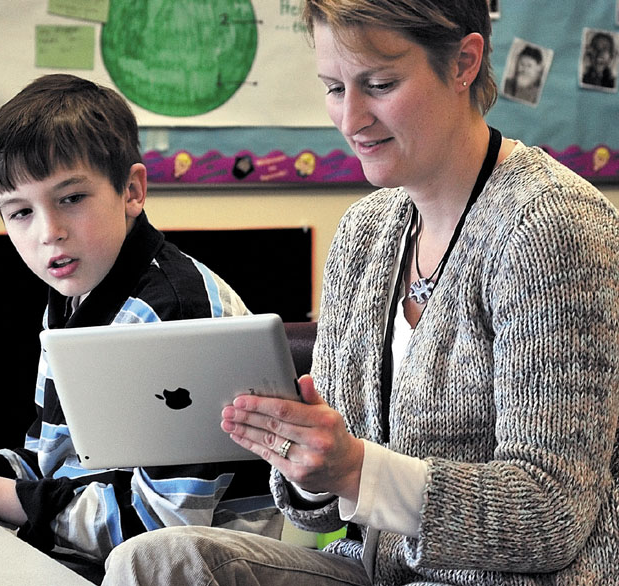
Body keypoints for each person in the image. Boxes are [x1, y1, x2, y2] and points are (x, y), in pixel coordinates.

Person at [102, 1, 619, 584]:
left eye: (379, 84)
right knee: (154, 561)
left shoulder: (551, 226)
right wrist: (303, 459)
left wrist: (357, 471)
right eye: (332, 87)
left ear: (464, 63)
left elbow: (551, 516)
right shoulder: (364, 232)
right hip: (372, 571)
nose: (350, 119)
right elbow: (317, 512)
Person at [0, 74, 282, 582]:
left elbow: (156, 528)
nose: (49, 233)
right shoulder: (77, 293)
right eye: (20, 212)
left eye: (71, 199)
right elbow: (54, 469)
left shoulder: (172, 311)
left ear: (132, 190)